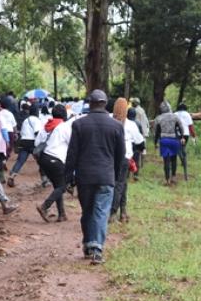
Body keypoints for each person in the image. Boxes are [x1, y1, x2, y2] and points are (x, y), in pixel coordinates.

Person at [64, 89, 125, 265]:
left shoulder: (79, 125)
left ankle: (89, 244)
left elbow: (72, 154)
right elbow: (120, 156)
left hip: (85, 177)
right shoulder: (116, 126)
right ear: (105, 104)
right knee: (100, 212)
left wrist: (68, 178)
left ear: (89, 103)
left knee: (88, 211)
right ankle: (96, 247)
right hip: (106, 176)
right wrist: (114, 174)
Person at [35, 104, 72, 222]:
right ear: (64, 114)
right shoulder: (64, 127)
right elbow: (72, 143)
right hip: (56, 159)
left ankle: (62, 214)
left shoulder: (46, 126)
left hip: (44, 159)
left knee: (57, 185)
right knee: (63, 186)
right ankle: (44, 206)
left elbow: (37, 143)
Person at [110, 98, 143, 223]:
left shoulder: (109, 120)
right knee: (120, 184)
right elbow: (139, 141)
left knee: (121, 183)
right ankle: (113, 213)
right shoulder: (130, 124)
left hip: (110, 156)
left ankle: (123, 212)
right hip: (124, 157)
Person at [7, 104, 43, 187]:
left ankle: (12, 176)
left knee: (20, 161)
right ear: (37, 112)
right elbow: (37, 133)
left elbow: (22, 133)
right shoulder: (36, 120)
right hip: (33, 143)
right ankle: (44, 179)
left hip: (24, 142)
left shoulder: (26, 120)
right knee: (41, 161)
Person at [154, 100, 185, 185]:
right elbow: (181, 127)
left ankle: (167, 179)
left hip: (164, 140)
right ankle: (173, 176)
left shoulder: (158, 118)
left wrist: (155, 142)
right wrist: (182, 137)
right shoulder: (175, 117)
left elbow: (156, 132)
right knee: (174, 159)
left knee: (166, 160)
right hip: (174, 139)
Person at [175, 103, 196, 181]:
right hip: (185, 134)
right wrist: (193, 136)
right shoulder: (187, 114)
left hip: (177, 134)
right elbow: (190, 126)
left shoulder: (175, 114)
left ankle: (182, 158)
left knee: (178, 149)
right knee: (183, 147)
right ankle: (184, 159)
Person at [127, 107, 145, 180]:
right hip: (137, 144)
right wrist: (142, 147)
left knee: (128, 159)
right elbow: (141, 134)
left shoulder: (126, 122)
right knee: (136, 159)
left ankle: (127, 174)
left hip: (128, 143)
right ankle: (135, 175)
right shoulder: (138, 123)